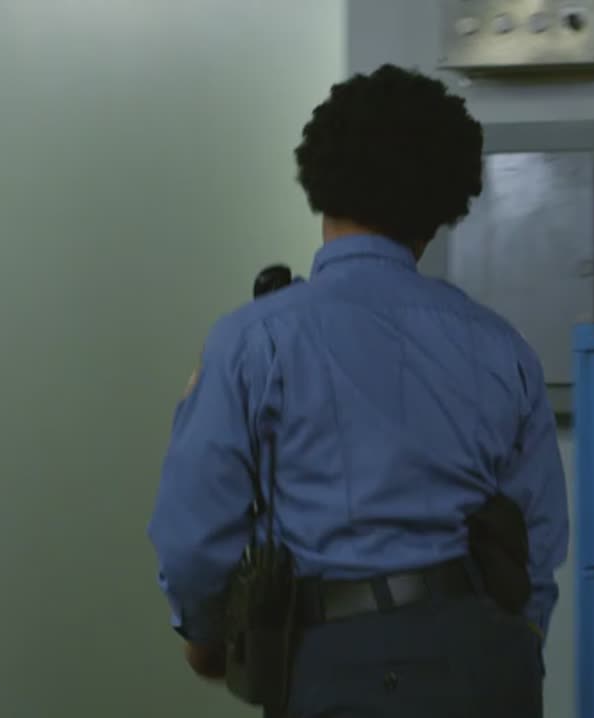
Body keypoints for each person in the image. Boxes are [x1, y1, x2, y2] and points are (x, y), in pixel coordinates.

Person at [147, 64, 570, 717]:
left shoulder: (254, 341)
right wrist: (517, 644)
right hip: (490, 662)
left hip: (341, 667)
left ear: (321, 186)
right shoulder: (501, 345)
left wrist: (207, 638)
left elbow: (194, 537)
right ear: (441, 211)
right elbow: (538, 536)